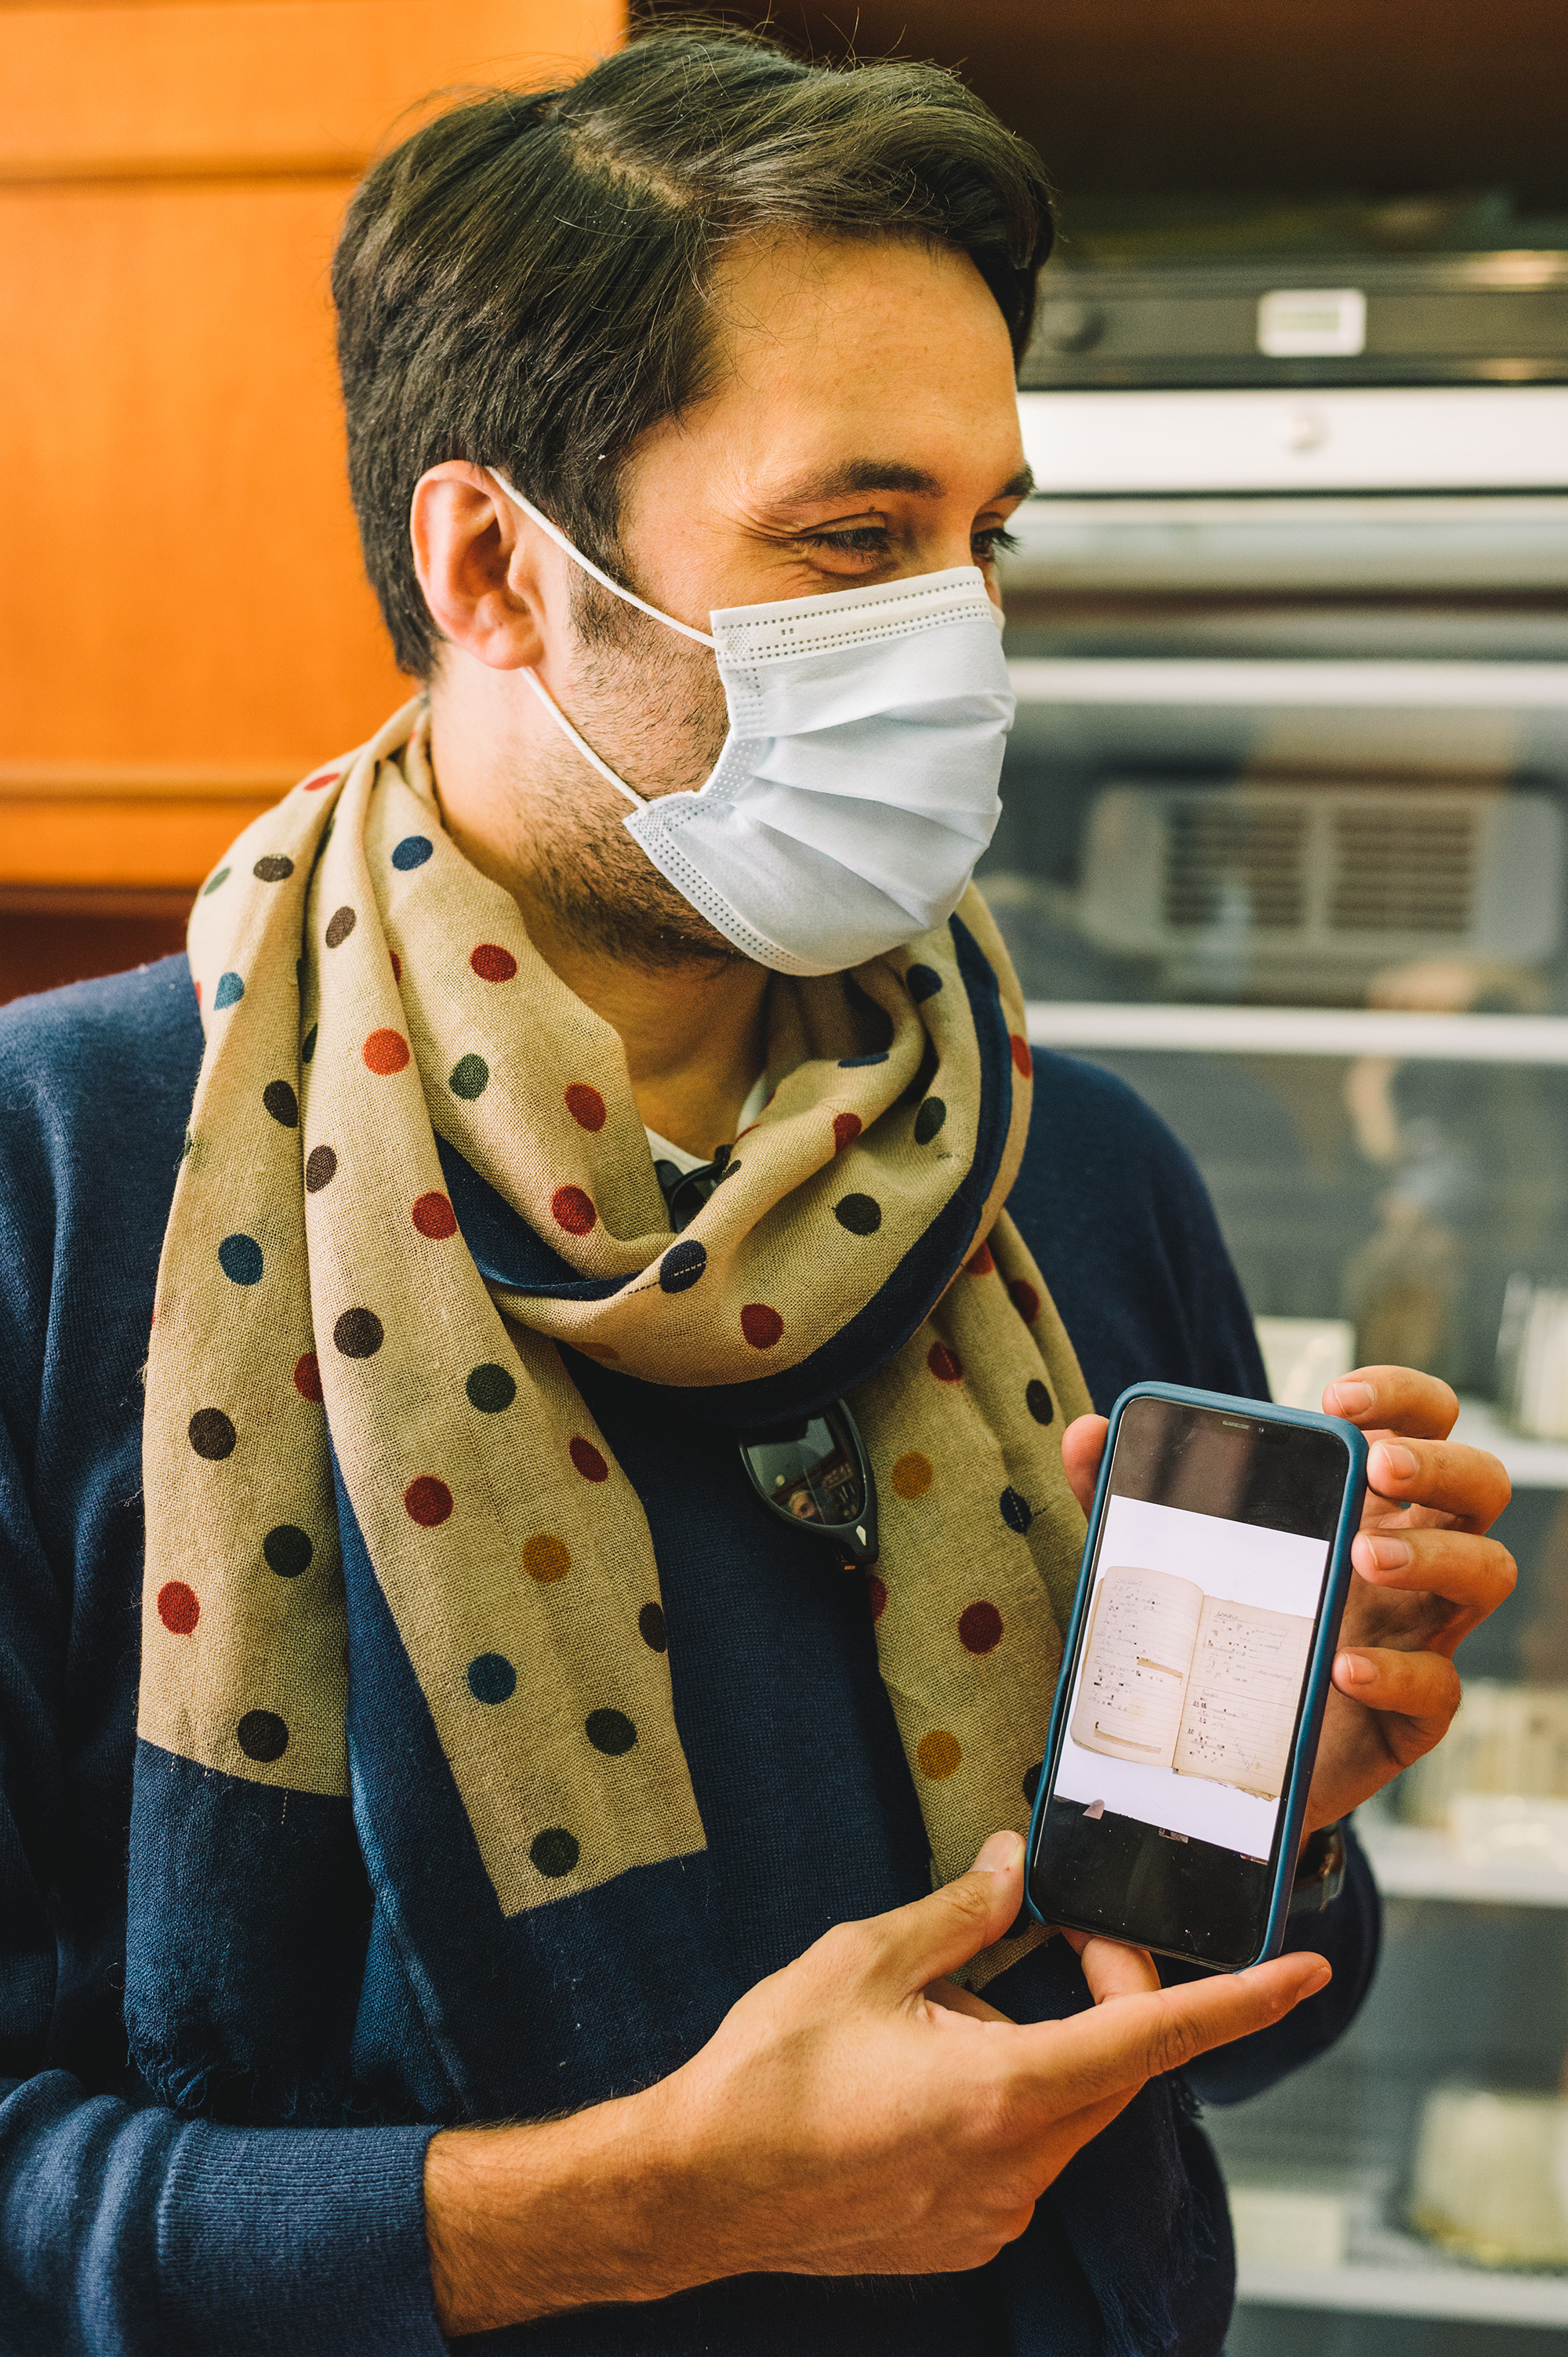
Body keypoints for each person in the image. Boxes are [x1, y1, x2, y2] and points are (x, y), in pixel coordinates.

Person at [0, 28, 1514, 2357]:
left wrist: (1264, 1829)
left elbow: (1244, 2027)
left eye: (982, 541)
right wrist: (635, 2210)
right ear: (497, 563)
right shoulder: (63, 1181)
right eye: (853, 539)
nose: (963, 643)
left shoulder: (1069, 1168)